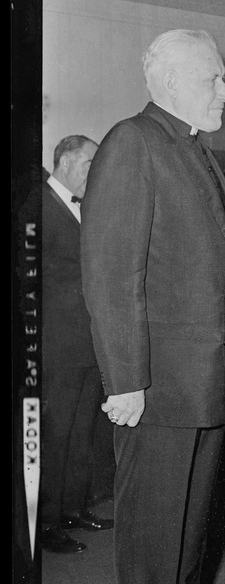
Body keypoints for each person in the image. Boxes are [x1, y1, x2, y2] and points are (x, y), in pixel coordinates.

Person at [80, 29, 225, 584]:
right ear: (172, 82)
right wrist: (125, 379)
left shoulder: (193, 148)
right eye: (214, 79)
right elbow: (111, 270)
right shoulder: (133, 141)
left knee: (189, 543)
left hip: (203, 385)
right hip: (157, 389)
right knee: (155, 549)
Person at [41, 135, 114, 554]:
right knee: (56, 436)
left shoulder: (86, 207)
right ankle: (47, 524)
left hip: (88, 344)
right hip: (59, 346)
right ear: (66, 162)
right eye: (90, 162)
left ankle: (73, 509)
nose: (95, 171)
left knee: (83, 433)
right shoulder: (39, 207)